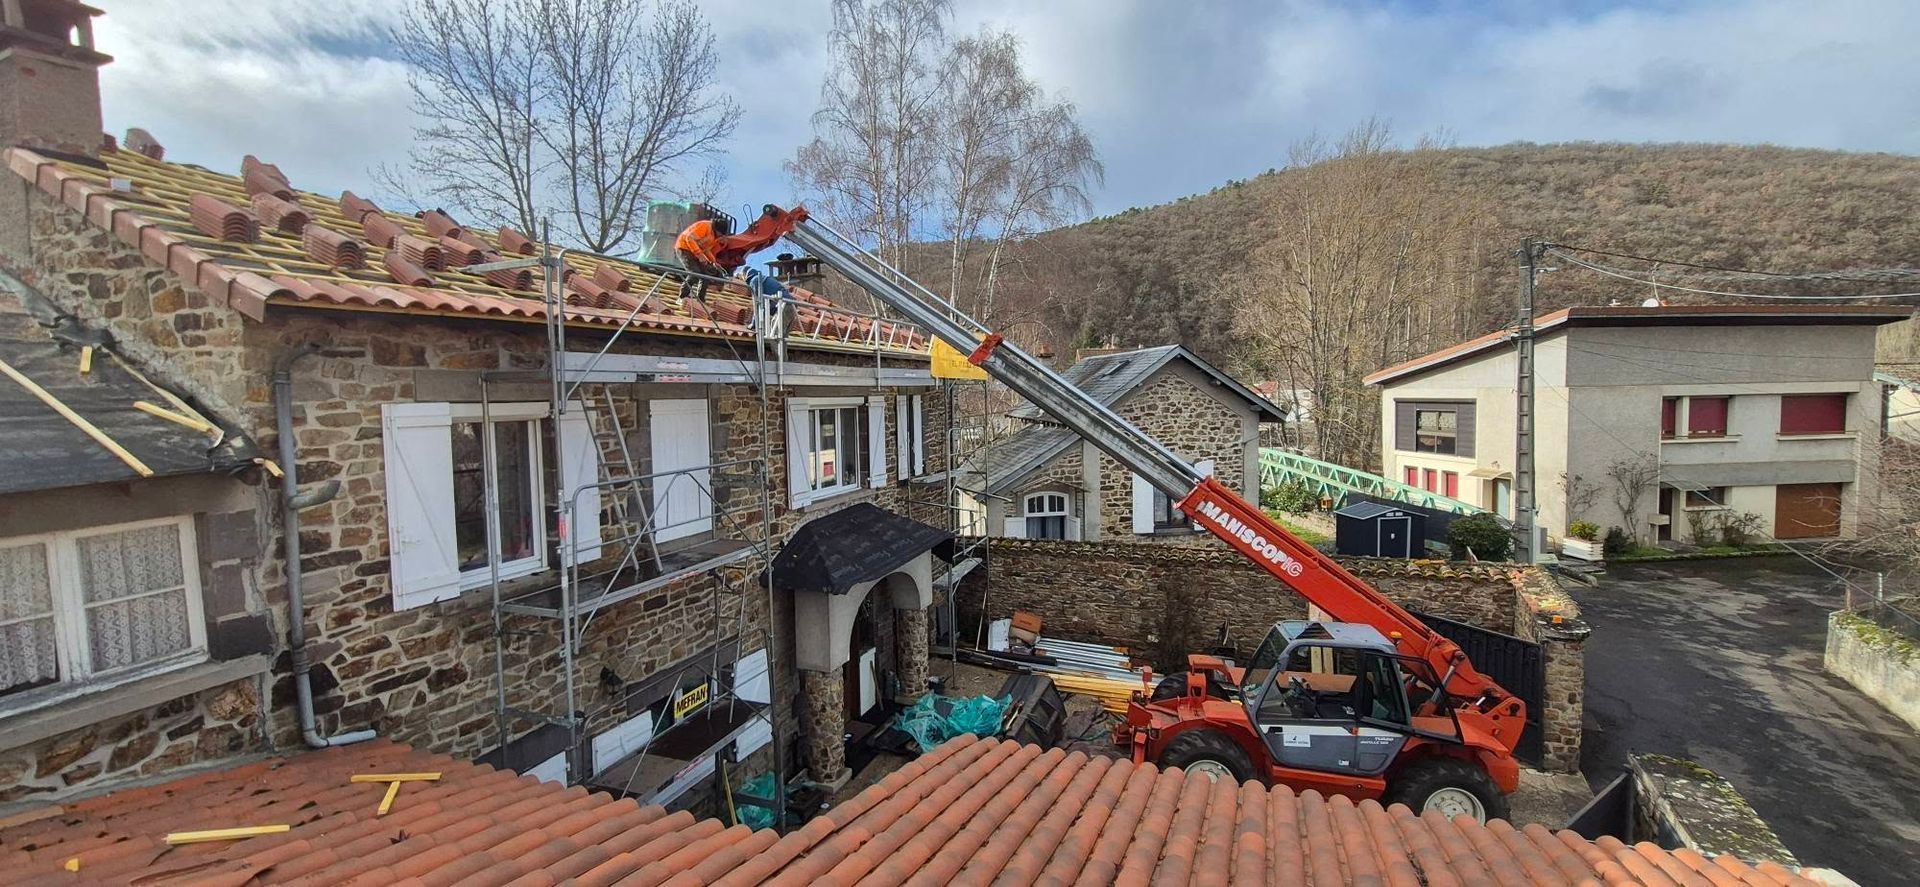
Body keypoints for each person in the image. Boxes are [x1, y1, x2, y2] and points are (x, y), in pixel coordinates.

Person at [674, 218, 728, 303]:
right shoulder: (705, 226)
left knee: (705, 276)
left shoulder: (714, 236)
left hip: (695, 251)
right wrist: (699, 255)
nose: (720, 236)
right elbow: (689, 238)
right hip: (684, 248)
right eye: (720, 234)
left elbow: (706, 249)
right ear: (716, 229)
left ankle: (700, 300)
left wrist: (714, 262)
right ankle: (682, 297)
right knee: (694, 273)